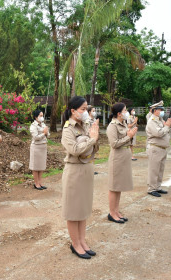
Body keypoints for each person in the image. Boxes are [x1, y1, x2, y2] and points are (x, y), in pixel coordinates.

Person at [61, 96, 99, 259]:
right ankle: (75, 244)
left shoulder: (85, 125)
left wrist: (94, 136)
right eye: (83, 109)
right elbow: (75, 149)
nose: (86, 112)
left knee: (83, 209)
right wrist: (92, 139)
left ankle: (82, 241)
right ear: (73, 111)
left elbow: (94, 149)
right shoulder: (68, 129)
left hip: (86, 170)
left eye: (86, 109)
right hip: (74, 171)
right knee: (73, 210)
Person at [106, 103, 137, 224]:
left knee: (119, 186)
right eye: (125, 110)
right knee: (114, 187)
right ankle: (112, 213)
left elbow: (126, 138)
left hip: (124, 156)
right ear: (119, 113)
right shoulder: (112, 126)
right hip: (117, 158)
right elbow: (114, 144)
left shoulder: (123, 123)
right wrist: (128, 137)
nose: (127, 112)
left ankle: (116, 210)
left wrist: (130, 135)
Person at [145, 101, 171, 197]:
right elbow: (159, 133)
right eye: (160, 109)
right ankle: (152, 188)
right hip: (155, 148)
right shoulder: (151, 121)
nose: (162, 111)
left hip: (162, 148)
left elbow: (166, 132)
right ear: (155, 110)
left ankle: (158, 187)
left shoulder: (160, 120)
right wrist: (167, 126)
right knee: (154, 170)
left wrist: (167, 126)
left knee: (160, 169)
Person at [29, 109, 50, 190]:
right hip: (36, 147)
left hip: (43, 147)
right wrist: (44, 133)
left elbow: (49, 134)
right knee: (35, 166)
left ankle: (40, 182)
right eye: (40, 116)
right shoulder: (33, 126)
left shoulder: (43, 124)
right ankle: (36, 183)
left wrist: (46, 133)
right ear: (36, 117)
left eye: (42, 116)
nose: (42, 117)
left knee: (41, 166)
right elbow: (35, 137)